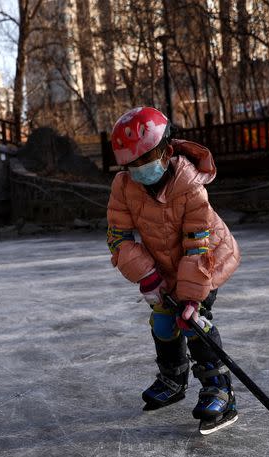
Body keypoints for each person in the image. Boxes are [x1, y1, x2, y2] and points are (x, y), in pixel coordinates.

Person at [106, 106, 241, 434]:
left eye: (145, 160)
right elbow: (117, 236)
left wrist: (193, 297)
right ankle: (173, 378)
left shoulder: (191, 186)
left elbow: (198, 244)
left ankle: (220, 389)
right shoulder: (124, 187)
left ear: (166, 152)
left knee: (193, 321)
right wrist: (147, 275)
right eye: (131, 164)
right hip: (163, 263)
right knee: (164, 321)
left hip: (207, 259)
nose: (138, 170)